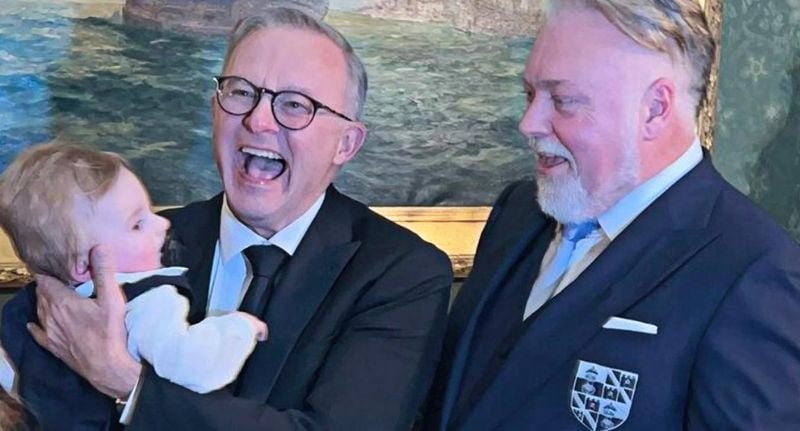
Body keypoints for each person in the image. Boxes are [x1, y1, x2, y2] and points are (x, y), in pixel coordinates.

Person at [28, 7, 453, 431]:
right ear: (215, 108)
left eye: (295, 104)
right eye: (241, 92)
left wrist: (129, 386)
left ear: (346, 144)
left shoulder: (402, 273)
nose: (258, 120)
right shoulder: (131, 246)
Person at [422, 0, 800, 430]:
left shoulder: (755, 270)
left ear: (655, 108)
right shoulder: (519, 211)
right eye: (529, 94)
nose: (529, 123)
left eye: (562, 100)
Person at [0, 143, 270, 430]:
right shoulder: (149, 301)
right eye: (137, 224)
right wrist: (239, 329)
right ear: (86, 264)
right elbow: (192, 365)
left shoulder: (26, 308)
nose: (162, 224)